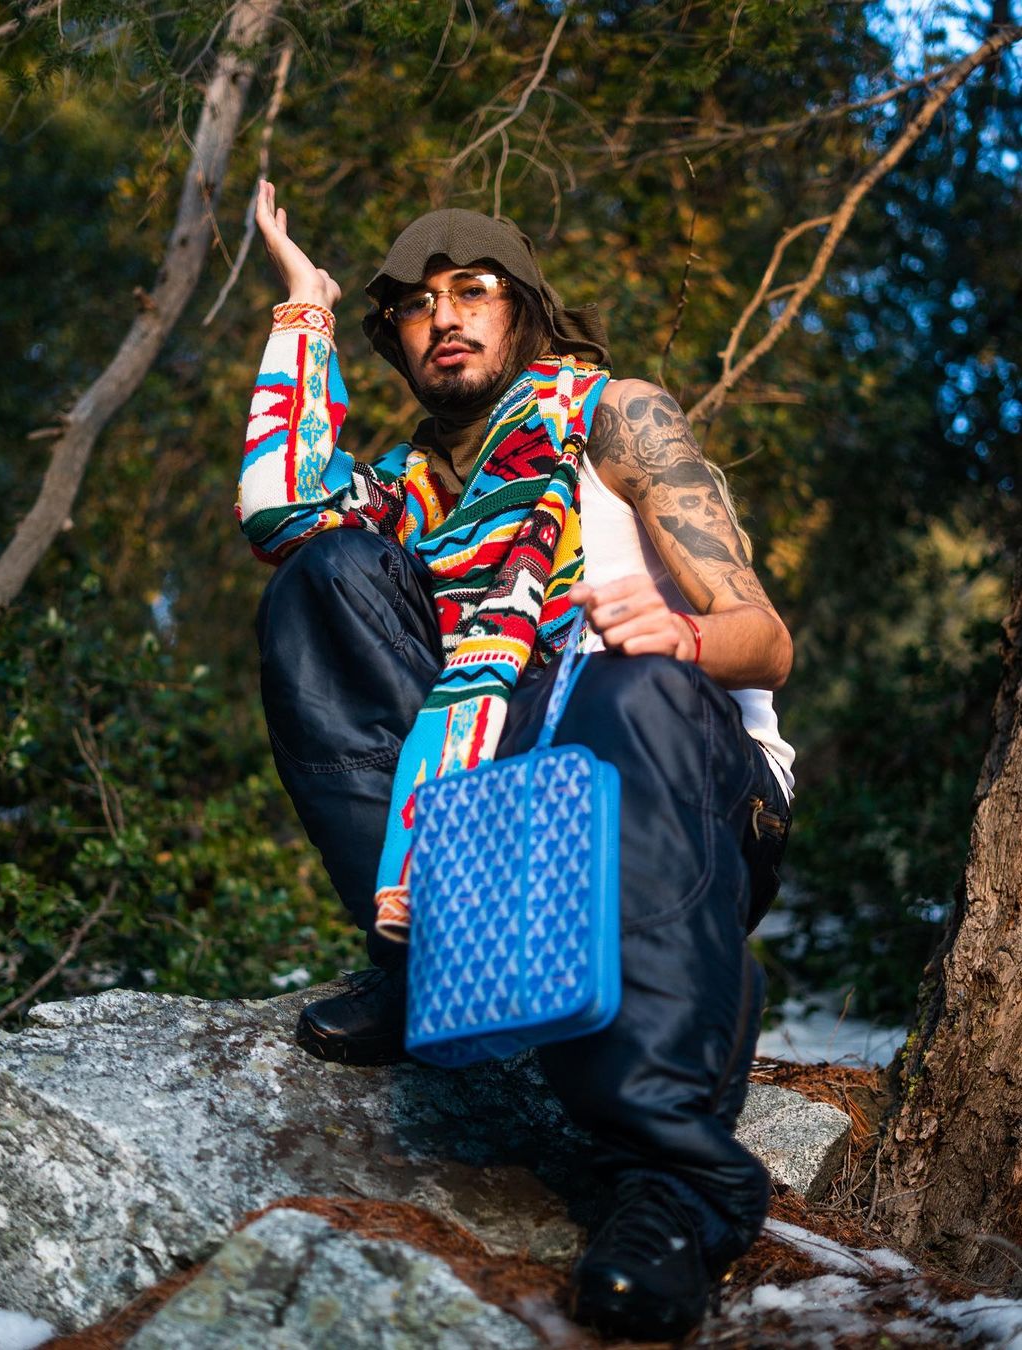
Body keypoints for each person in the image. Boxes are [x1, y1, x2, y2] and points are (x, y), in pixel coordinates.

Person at [238, 179, 794, 1343]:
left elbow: (767, 640)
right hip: (512, 810)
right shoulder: (409, 493)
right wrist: (306, 304)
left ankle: (677, 1185)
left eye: (473, 290)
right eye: (416, 304)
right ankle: (432, 949)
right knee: (322, 577)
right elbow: (281, 513)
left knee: (625, 684)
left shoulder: (614, 417)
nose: (443, 317)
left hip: (681, 784)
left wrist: (681, 634)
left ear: (527, 309)